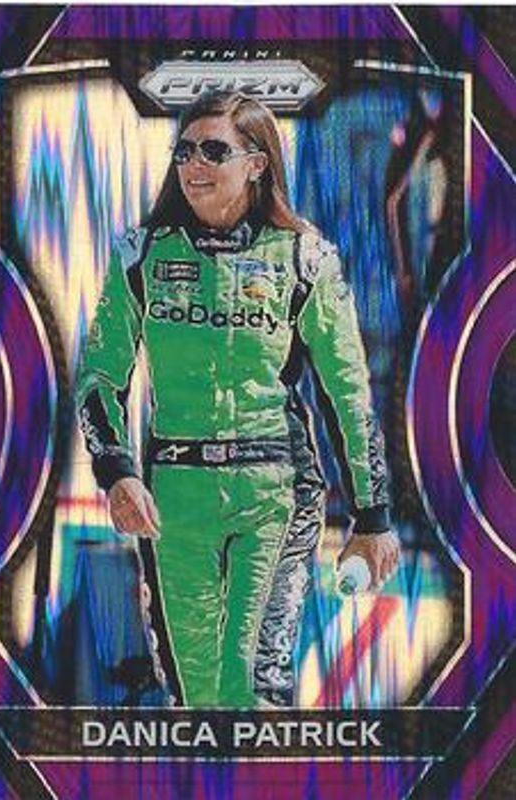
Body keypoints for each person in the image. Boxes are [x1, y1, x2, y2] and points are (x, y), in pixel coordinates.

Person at [76, 91, 400, 708]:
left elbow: (347, 392)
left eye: (213, 151)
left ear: (256, 164)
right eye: (184, 151)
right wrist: (117, 473)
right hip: (174, 496)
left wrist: (372, 516)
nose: (193, 164)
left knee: (252, 689)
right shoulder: (140, 254)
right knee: (196, 700)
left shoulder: (305, 256)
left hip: (276, 490)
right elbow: (99, 377)